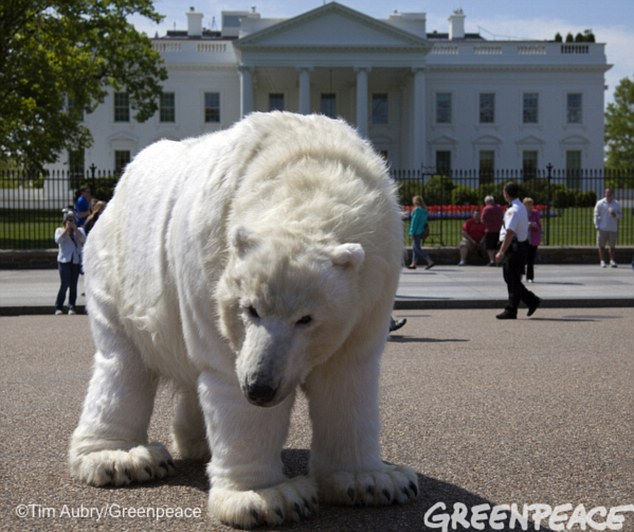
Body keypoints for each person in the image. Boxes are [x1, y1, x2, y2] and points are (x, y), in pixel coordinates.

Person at [495, 182, 541, 319]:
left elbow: (509, 232)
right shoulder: (520, 207)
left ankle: (525, 303)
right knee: (512, 279)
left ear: (506, 194)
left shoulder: (513, 210)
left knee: (511, 278)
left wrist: (501, 251)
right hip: (520, 247)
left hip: (513, 248)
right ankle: (517, 307)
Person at [54, 211, 86, 315]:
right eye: (69, 220)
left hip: (75, 260)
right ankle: (58, 306)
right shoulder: (59, 230)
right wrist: (67, 229)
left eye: (72, 220)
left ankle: (72, 306)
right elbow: (58, 240)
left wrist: (75, 229)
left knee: (73, 284)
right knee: (65, 283)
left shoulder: (79, 230)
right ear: (65, 221)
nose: (71, 222)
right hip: (64, 260)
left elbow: (84, 239)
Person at [593, 188, 621, 268]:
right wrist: (597, 225)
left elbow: (620, 215)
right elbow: (595, 214)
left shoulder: (616, 203)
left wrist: (615, 215)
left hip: (613, 228)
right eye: (606, 193)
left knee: (612, 246)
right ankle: (602, 261)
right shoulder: (600, 203)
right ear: (605, 193)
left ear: (612, 194)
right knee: (601, 246)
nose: (608, 195)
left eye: (610, 193)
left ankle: (612, 260)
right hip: (602, 228)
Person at [406, 195, 435, 270]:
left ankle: (429, 261)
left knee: (417, 248)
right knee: (415, 248)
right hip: (421, 231)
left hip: (416, 232)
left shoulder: (417, 210)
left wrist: (411, 232)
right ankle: (413, 263)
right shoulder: (425, 210)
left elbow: (414, 222)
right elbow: (424, 222)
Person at [481, 195, 504, 266]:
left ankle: (492, 261)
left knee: (490, 247)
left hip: (490, 230)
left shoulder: (486, 208)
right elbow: (502, 217)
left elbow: (482, 219)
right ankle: (498, 261)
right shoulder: (499, 208)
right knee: (498, 246)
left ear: (487, 202)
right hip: (499, 229)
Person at [523, 197, 542, 282]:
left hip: (533, 239)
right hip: (524, 239)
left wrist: (534, 225)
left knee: (531, 259)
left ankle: (530, 277)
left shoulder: (536, 213)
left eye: (531, 204)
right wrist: (527, 224)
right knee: (523, 258)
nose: (530, 206)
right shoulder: (522, 213)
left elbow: (539, 226)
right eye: (528, 204)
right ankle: (520, 274)